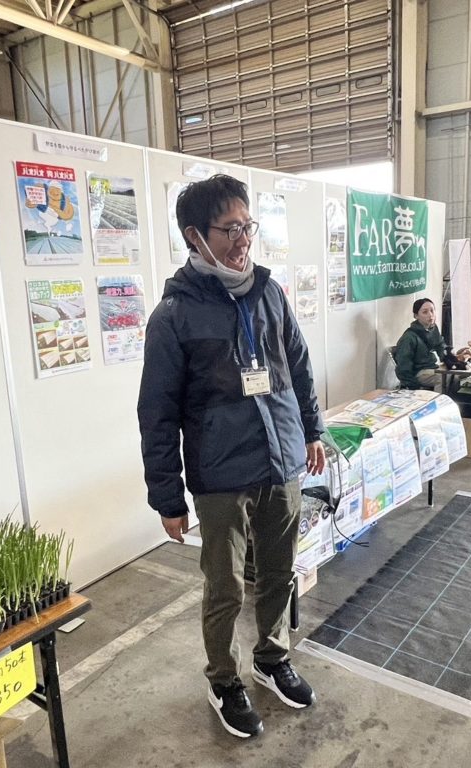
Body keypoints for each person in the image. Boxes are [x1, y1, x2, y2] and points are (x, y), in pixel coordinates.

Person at [137, 174, 325, 739]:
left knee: (279, 573)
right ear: (195, 236)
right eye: (229, 229)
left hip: (281, 459)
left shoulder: (270, 292)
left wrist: (311, 430)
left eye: (247, 226)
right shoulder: (173, 315)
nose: (243, 240)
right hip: (220, 475)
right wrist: (167, 497)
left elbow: (298, 365)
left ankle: (272, 658)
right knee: (225, 588)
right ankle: (223, 679)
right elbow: (157, 412)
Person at [393, 297, 445, 390]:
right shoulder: (409, 337)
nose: (430, 315)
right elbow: (403, 366)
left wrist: (450, 359)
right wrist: (413, 386)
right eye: (425, 312)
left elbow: (441, 346)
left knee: (456, 375)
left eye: (432, 310)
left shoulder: (433, 328)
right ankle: (437, 399)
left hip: (432, 367)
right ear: (416, 316)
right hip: (418, 372)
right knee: (443, 378)